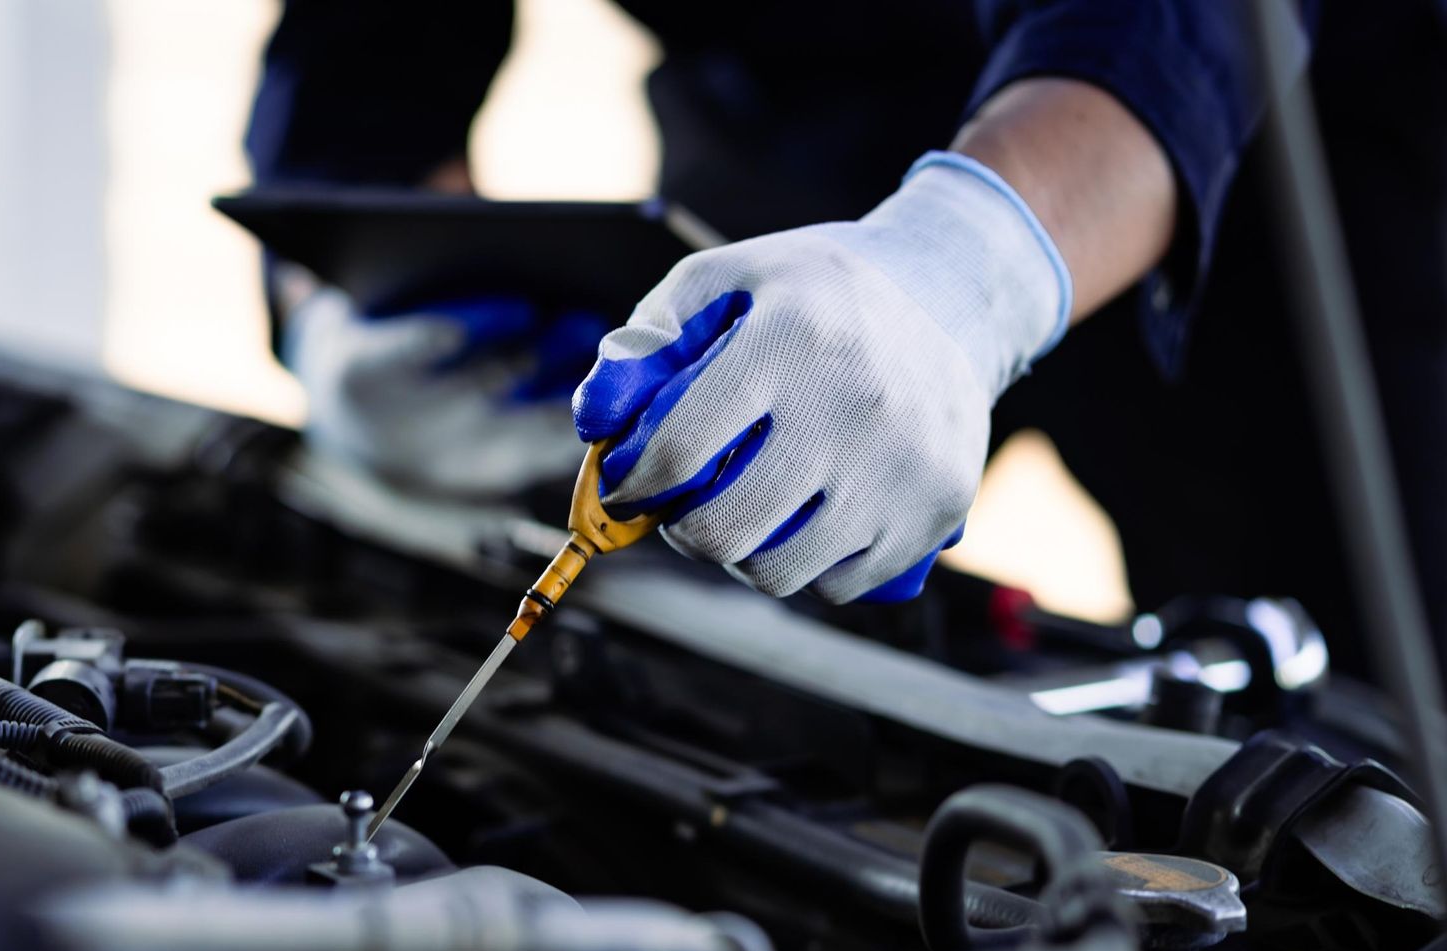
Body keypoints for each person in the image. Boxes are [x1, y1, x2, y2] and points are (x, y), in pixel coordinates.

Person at [247, 3, 1447, 670]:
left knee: (1333, 780)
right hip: (793, 151)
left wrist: (965, 264)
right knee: (736, 675)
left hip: (1278, 180)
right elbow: (366, 75)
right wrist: (343, 313)